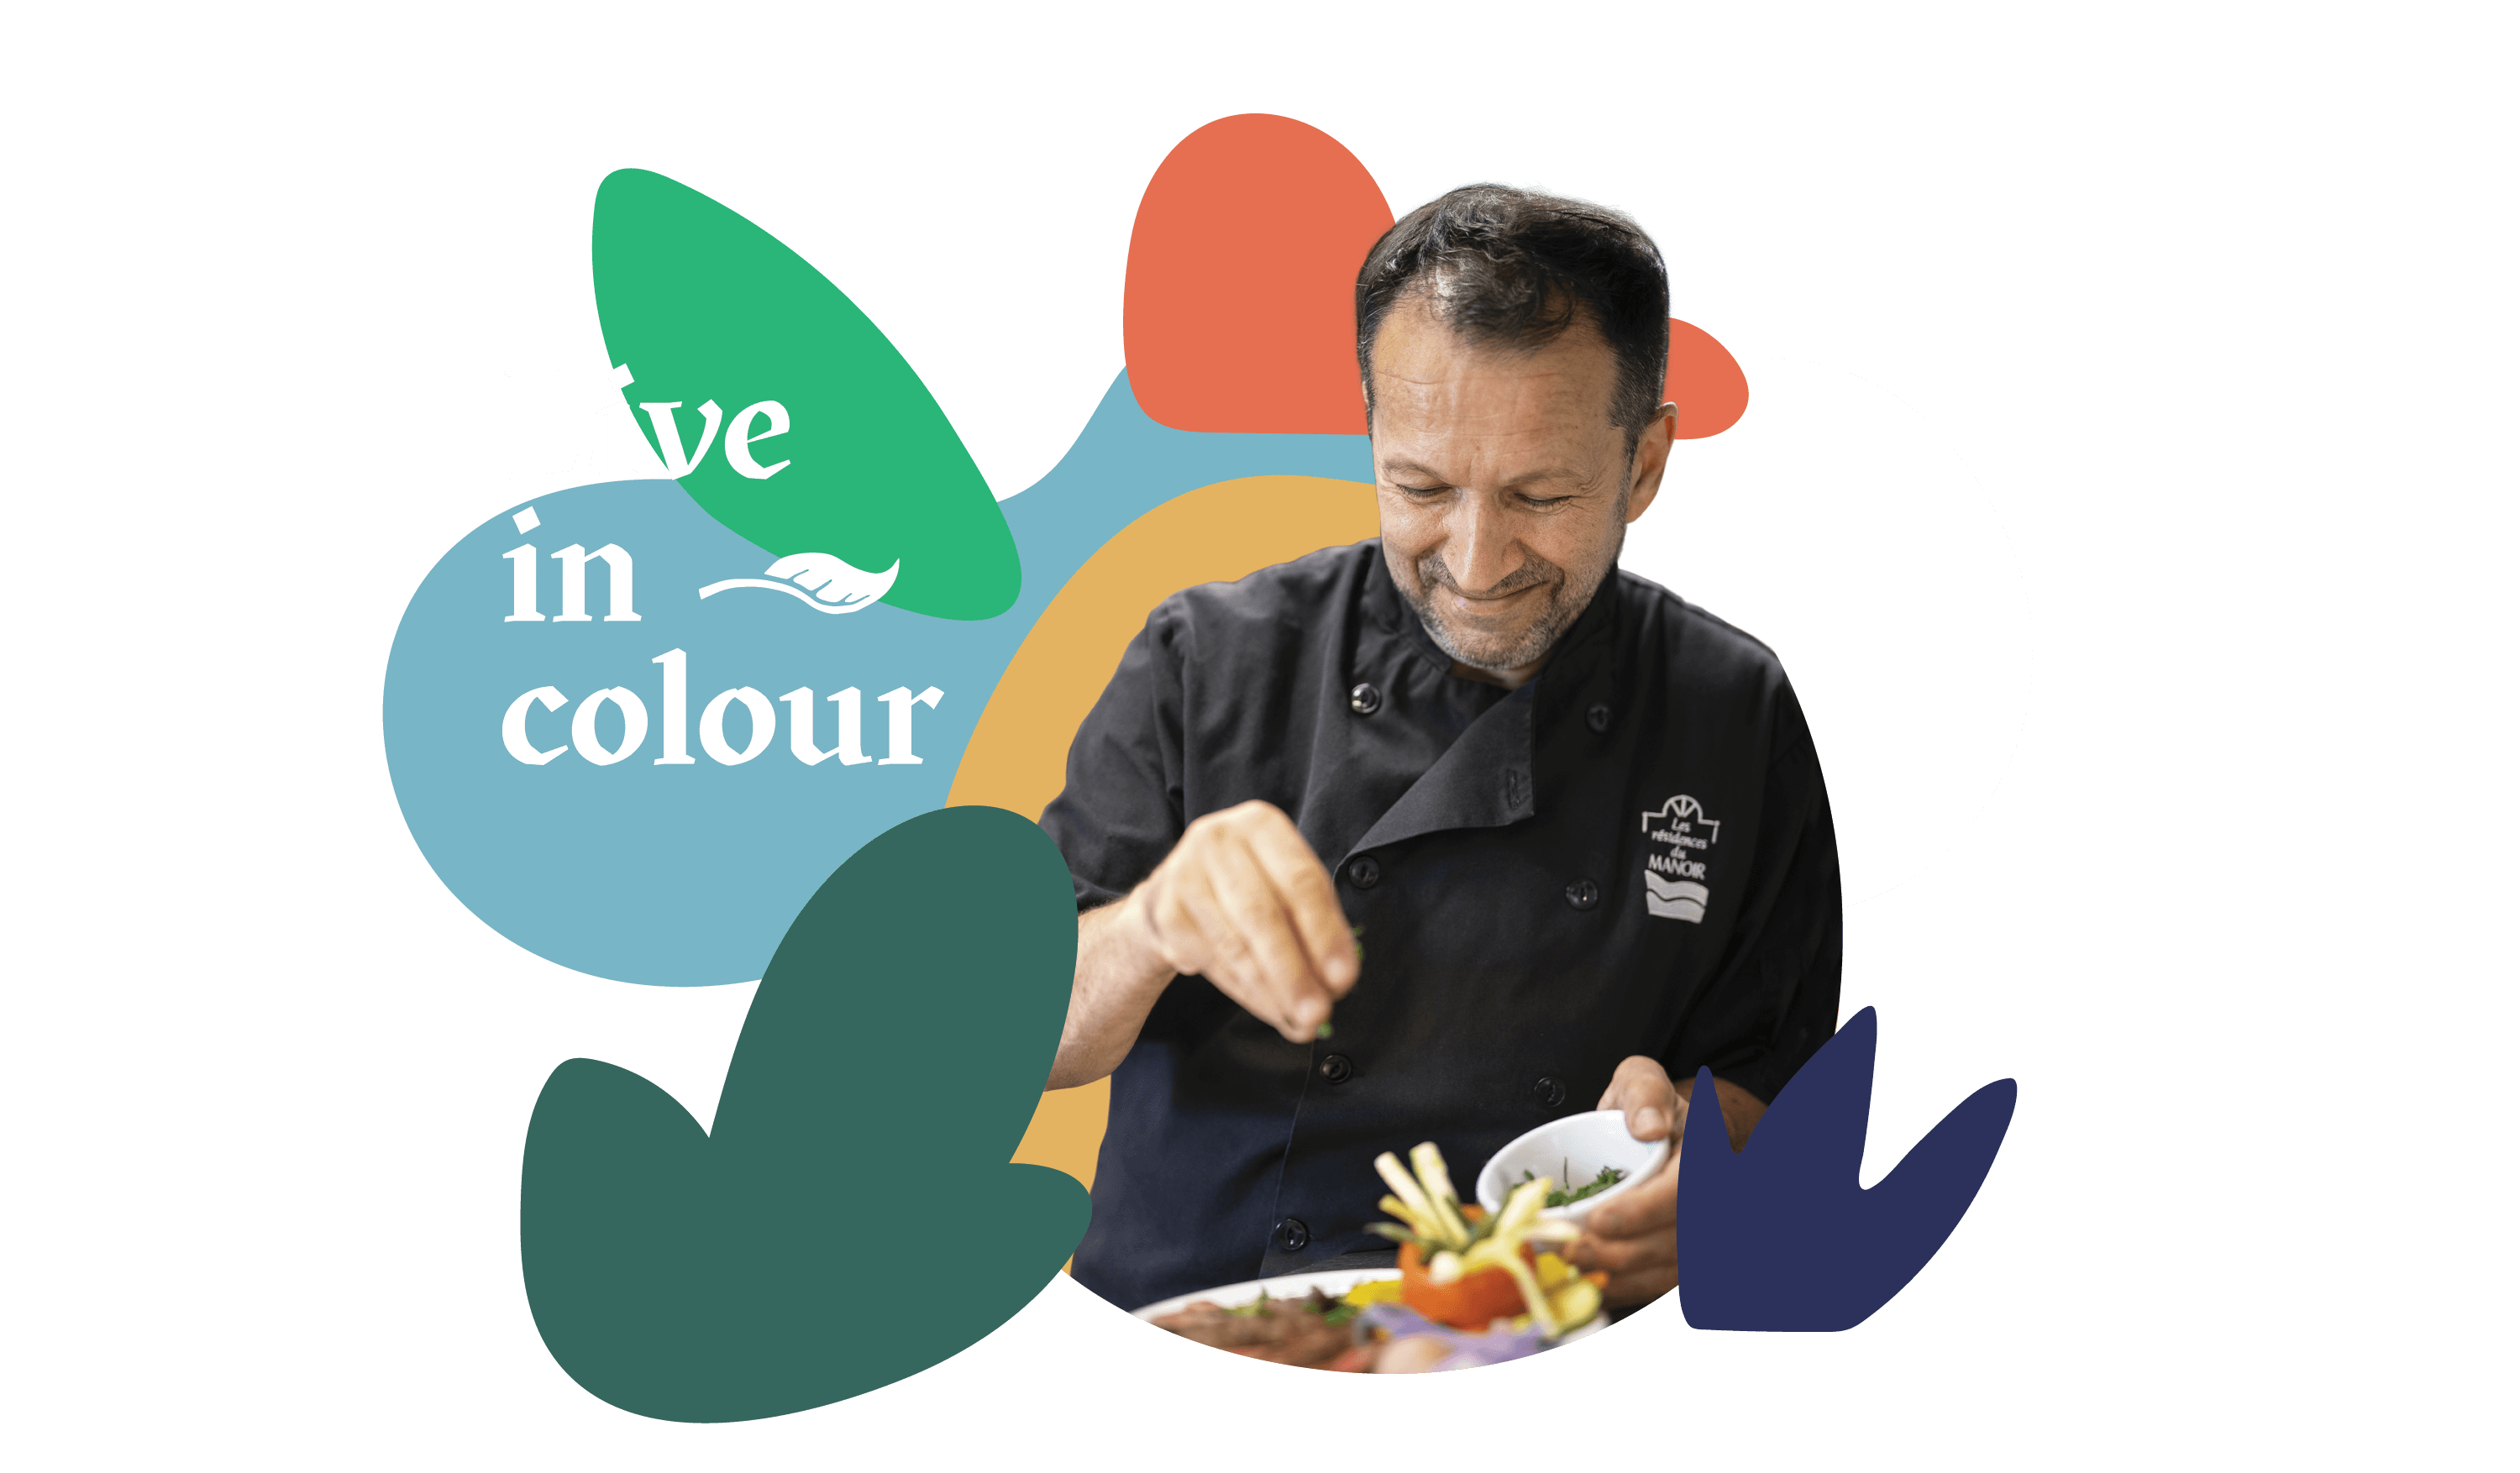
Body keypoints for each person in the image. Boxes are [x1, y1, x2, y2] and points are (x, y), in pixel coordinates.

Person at [1040, 182, 1841, 1315]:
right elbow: (1013, 1033)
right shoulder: (1202, 658)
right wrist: (1152, 922)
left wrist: (1697, 1152)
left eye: (1540, 495)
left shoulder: (1734, 707)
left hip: (1533, 1320)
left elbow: (1780, 1074)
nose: (1474, 560)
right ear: (1371, 437)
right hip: (1208, 1308)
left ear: (1645, 464)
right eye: (1420, 486)